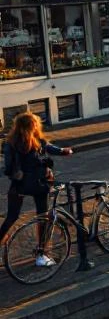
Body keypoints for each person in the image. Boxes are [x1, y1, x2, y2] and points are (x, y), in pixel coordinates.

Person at [1, 112, 73, 266]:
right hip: (40, 185)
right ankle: (41, 255)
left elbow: (7, 168)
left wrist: (17, 173)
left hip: (19, 185)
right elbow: (54, 149)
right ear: (33, 126)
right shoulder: (38, 142)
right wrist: (65, 151)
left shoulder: (10, 143)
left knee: (11, 217)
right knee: (44, 217)